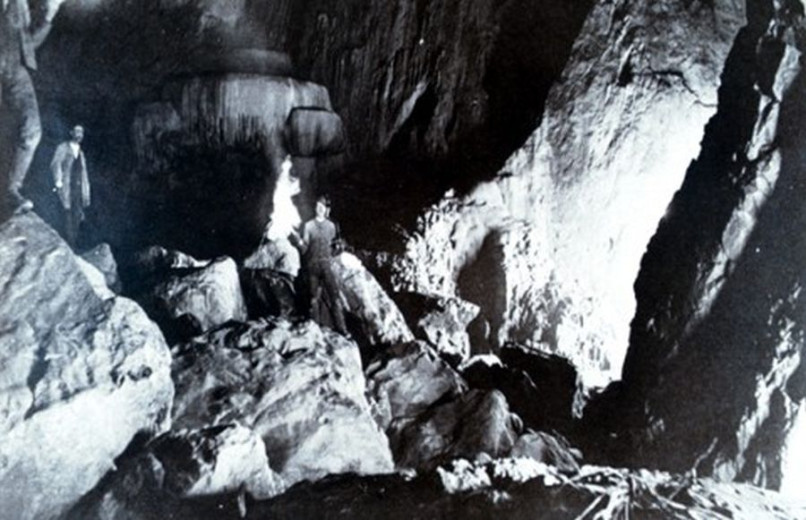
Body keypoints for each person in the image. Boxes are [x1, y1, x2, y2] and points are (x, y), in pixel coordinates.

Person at [1, 0, 61, 215]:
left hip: (15, 71)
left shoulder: (19, 4)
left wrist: (49, 16)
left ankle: (10, 190)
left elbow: (28, 45)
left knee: (31, 130)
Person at [299, 196, 348, 335]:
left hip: (327, 266)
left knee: (335, 297)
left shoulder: (331, 226)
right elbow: (304, 249)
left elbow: (333, 247)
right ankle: (315, 331)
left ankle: (342, 329)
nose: (320, 209)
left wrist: (339, 247)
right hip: (312, 266)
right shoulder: (308, 226)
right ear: (315, 208)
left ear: (326, 209)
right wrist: (299, 242)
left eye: (322, 207)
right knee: (313, 299)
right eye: (317, 206)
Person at [51, 125, 90, 247]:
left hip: (78, 189)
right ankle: (68, 244)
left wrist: (86, 192)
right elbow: (56, 164)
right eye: (77, 131)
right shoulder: (63, 148)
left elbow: (84, 173)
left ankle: (73, 246)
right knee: (66, 215)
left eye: (81, 132)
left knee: (77, 216)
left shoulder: (81, 153)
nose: (79, 134)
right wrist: (58, 181)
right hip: (67, 187)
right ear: (71, 132)